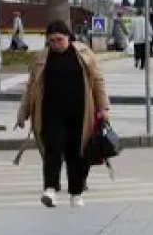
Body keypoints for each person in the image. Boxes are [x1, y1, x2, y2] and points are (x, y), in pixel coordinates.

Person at [15, 21, 110, 208]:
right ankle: (50, 189)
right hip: (51, 113)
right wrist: (23, 113)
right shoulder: (41, 59)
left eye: (59, 40)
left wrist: (104, 107)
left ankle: (76, 193)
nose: (56, 44)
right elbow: (30, 88)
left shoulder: (83, 55)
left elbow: (98, 81)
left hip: (80, 113)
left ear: (69, 37)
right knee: (53, 149)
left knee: (77, 153)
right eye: (51, 41)